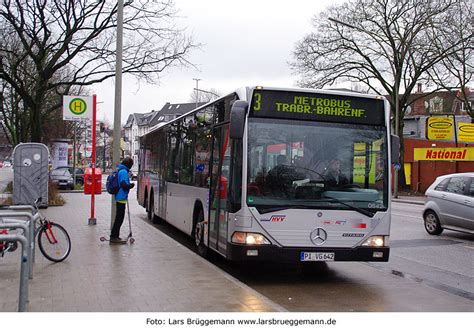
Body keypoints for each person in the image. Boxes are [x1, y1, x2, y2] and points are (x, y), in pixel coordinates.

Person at [110, 157, 135, 244]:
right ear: (128, 164)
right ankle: (114, 236)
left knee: (119, 218)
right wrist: (130, 185)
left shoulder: (121, 170)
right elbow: (123, 184)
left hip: (120, 197)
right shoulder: (124, 172)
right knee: (119, 218)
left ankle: (115, 235)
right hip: (121, 197)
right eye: (131, 165)